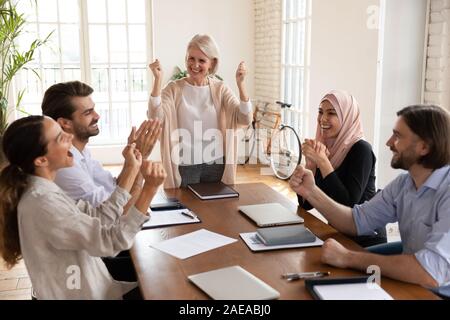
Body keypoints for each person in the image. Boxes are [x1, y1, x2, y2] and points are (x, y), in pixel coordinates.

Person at [290, 105, 450, 297]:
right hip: (416, 282)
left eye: (398, 136)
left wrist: (348, 257)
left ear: (424, 147)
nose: (389, 143)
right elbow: (355, 221)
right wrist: (311, 191)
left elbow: (430, 273)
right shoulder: (404, 184)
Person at [0, 116, 166, 299]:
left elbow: (99, 217)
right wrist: (149, 190)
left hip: (103, 288)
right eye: (60, 137)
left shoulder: (43, 190)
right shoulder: (43, 203)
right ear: (41, 160)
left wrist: (132, 167)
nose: (70, 136)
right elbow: (111, 242)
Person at [148, 34, 252, 188]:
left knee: (215, 209)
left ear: (212, 63)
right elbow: (155, 117)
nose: (195, 65)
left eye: (201, 60)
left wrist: (241, 85)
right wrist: (157, 80)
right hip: (185, 164)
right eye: (191, 58)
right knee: (185, 208)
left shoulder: (220, 88)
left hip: (216, 162)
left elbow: (244, 118)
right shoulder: (173, 89)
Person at [41, 81, 161, 209]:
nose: (97, 116)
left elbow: (115, 189)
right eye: (88, 112)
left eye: (94, 109)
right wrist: (139, 159)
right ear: (65, 123)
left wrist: (135, 157)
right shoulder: (65, 165)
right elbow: (116, 211)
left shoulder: (82, 152)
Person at [299, 90, 385, 247]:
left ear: (347, 118)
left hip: (365, 240)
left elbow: (348, 204)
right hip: (337, 234)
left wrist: (323, 163)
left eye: (331, 113)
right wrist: (311, 165)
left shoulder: (361, 149)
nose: (323, 119)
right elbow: (306, 205)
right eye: (320, 112)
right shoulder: (326, 146)